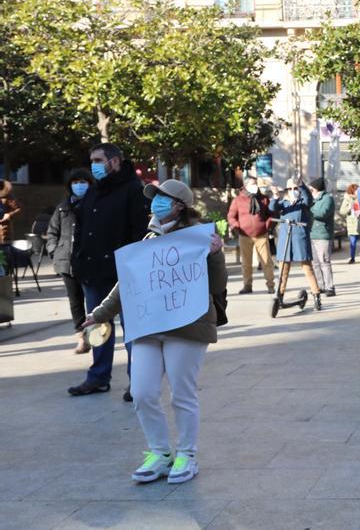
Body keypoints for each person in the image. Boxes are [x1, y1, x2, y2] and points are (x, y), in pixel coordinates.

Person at [81, 179, 226, 485]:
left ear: (179, 206)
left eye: (162, 198)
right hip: (148, 325)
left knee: (182, 392)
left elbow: (215, 287)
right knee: (142, 391)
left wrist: (214, 256)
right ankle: (159, 453)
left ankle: (187, 454)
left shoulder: (200, 238)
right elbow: (127, 284)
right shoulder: (148, 240)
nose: (154, 202)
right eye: (154, 197)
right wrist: (100, 314)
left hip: (187, 326)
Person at [69, 143, 150, 397]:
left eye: (97, 160)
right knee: (96, 326)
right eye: (91, 160)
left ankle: (136, 381)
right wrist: (77, 260)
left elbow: (139, 232)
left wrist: (134, 265)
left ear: (114, 161)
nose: (93, 165)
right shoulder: (93, 191)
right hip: (92, 272)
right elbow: (81, 229)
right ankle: (98, 377)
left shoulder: (133, 190)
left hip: (122, 273)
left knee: (132, 329)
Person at [46, 168, 92, 354]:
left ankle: (96, 335)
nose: (79, 185)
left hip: (90, 261)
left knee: (94, 300)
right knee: (75, 302)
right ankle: (81, 337)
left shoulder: (96, 205)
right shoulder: (62, 207)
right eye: (75, 182)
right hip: (67, 261)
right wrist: (54, 252)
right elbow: (52, 232)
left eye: (83, 182)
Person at [269, 177, 323, 313]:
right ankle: (279, 296)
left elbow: (309, 199)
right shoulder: (284, 203)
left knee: (307, 268)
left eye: (295, 188)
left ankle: (316, 296)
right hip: (285, 239)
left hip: (300, 238)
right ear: (286, 190)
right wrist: (275, 196)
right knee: (283, 271)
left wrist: (302, 186)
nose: (293, 191)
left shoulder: (303, 202)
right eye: (290, 188)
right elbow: (272, 207)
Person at [226, 175, 274, 295]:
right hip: (244, 235)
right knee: (246, 263)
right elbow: (231, 216)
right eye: (252, 184)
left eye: (256, 183)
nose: (255, 186)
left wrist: (267, 226)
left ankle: (271, 285)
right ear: (246, 186)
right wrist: (236, 226)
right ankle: (247, 285)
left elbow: (271, 214)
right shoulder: (238, 200)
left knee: (266, 261)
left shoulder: (263, 199)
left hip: (261, 235)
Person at [308, 177, 337, 297]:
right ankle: (320, 286)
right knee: (315, 263)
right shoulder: (311, 199)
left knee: (324, 261)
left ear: (316, 188)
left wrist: (309, 208)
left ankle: (330, 287)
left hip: (323, 235)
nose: (309, 190)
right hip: (311, 234)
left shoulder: (327, 199)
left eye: (311, 188)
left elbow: (322, 213)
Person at [341, 183, 360, 264]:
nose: (358, 192)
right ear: (352, 191)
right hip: (352, 223)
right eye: (356, 190)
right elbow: (342, 211)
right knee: (353, 242)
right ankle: (352, 258)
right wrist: (350, 206)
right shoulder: (347, 199)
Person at [0, 178, 20, 244]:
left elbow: (18, 208)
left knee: (5, 251)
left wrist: (9, 214)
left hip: (4, 229)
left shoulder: (7, 196)